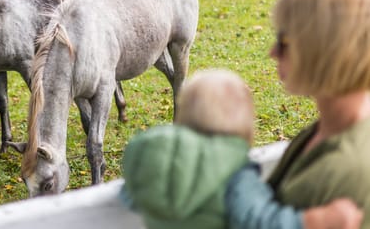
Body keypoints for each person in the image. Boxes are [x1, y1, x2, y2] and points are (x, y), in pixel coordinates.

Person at [121, 69, 362, 229]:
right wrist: (316, 221)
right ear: (245, 129)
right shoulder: (234, 174)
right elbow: (261, 221)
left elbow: (129, 197)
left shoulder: (147, 161)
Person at [227, 0, 370, 228]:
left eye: (283, 41)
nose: (272, 52)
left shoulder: (344, 172)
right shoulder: (335, 125)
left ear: (325, 49)